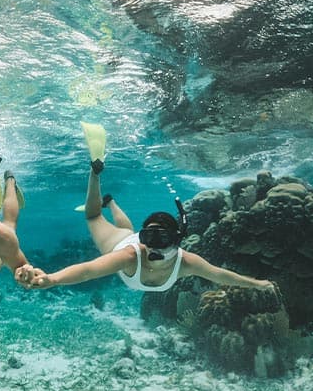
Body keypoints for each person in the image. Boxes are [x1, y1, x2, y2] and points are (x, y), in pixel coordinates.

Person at [16, 123, 273, 292]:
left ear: (177, 240)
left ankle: (111, 202)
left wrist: (258, 284)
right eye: (149, 236)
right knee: (93, 216)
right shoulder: (130, 255)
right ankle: (95, 173)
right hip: (120, 241)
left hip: (127, 235)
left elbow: (220, 275)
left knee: (124, 227)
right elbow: (88, 271)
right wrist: (52, 279)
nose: (152, 244)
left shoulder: (186, 263)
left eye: (161, 238)